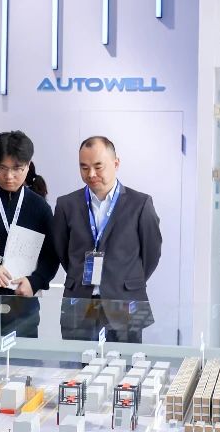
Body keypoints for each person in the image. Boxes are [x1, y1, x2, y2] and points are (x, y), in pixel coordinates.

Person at [51, 136, 162, 343]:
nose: (91, 174)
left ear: (116, 163)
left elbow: (152, 253)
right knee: (78, 362)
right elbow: (62, 251)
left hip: (125, 301)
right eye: (84, 167)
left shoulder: (140, 204)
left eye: (98, 166)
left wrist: (125, 280)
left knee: (126, 362)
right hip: (79, 302)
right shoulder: (67, 205)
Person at [0, 131, 59, 337]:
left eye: (17, 169)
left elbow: (51, 255)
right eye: (1, 168)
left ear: (28, 166)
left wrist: (35, 281)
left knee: (22, 356)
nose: (9, 176)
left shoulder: (39, 207)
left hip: (22, 302)